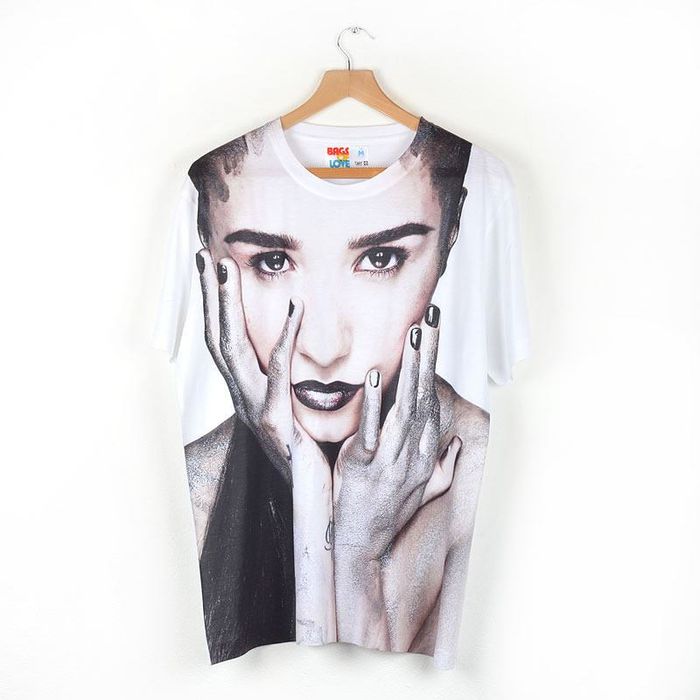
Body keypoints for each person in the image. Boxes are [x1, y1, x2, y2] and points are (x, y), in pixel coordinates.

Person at [184, 117, 490, 662]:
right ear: (206, 245)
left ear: (451, 233)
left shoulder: (481, 479)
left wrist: (355, 554)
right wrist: (308, 478)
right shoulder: (190, 488)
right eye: (271, 262)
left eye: (380, 258)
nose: (325, 348)